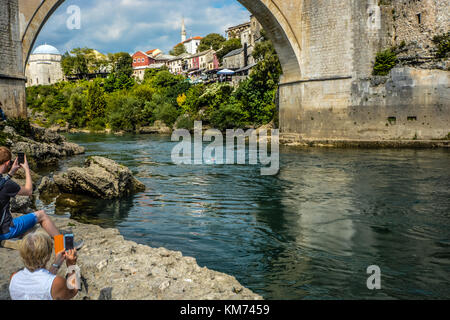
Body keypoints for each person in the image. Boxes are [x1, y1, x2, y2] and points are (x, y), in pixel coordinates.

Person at [0, 146, 60, 242]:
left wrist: (11, 173)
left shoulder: (5, 182)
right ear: (7, 163)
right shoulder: (7, 185)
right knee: (42, 214)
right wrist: (27, 169)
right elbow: (29, 191)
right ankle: (64, 245)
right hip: (5, 231)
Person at [9, 232, 80, 300]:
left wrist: (57, 263)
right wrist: (71, 265)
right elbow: (73, 291)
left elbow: (41, 280)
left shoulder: (14, 277)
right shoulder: (57, 282)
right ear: (48, 256)